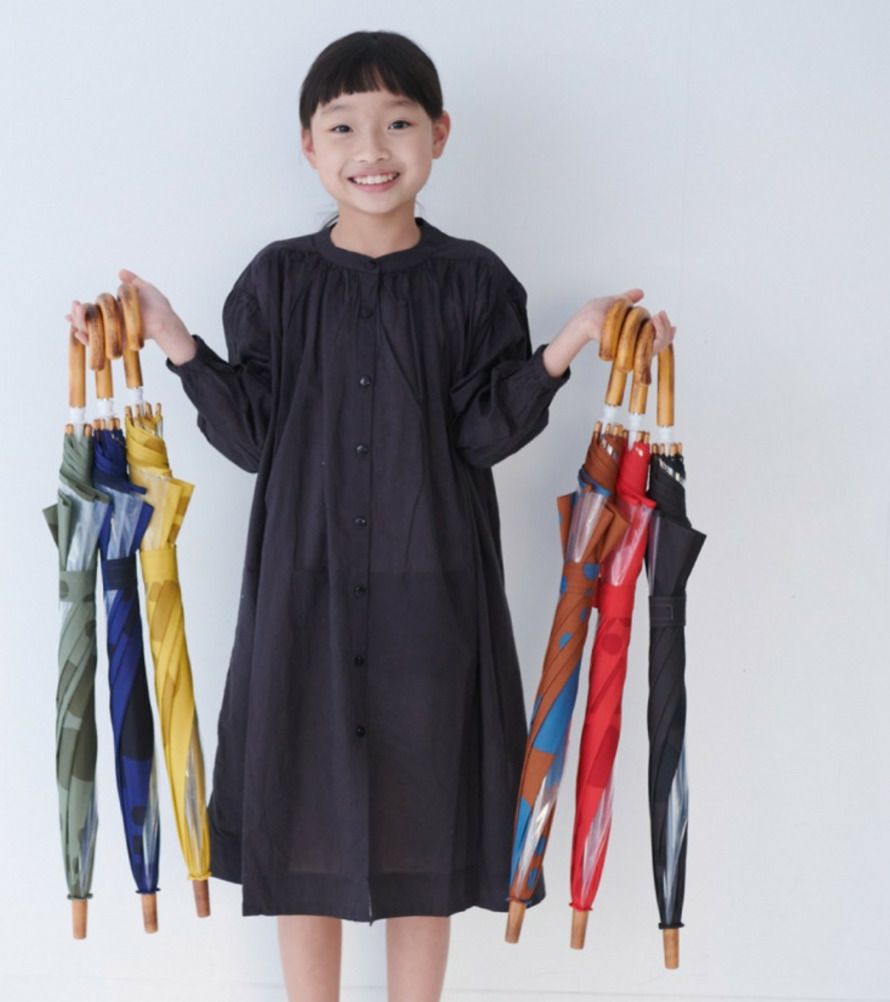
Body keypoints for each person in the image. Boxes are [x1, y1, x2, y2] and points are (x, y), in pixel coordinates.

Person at [67, 29, 675, 1002]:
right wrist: (175, 338)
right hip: (302, 593)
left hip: (432, 598)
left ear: (439, 134)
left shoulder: (474, 281)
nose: (372, 149)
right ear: (309, 145)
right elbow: (254, 434)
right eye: (344, 126)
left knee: (425, 822)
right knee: (299, 815)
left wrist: (569, 343)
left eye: (398, 123)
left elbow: (483, 432)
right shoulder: (277, 281)